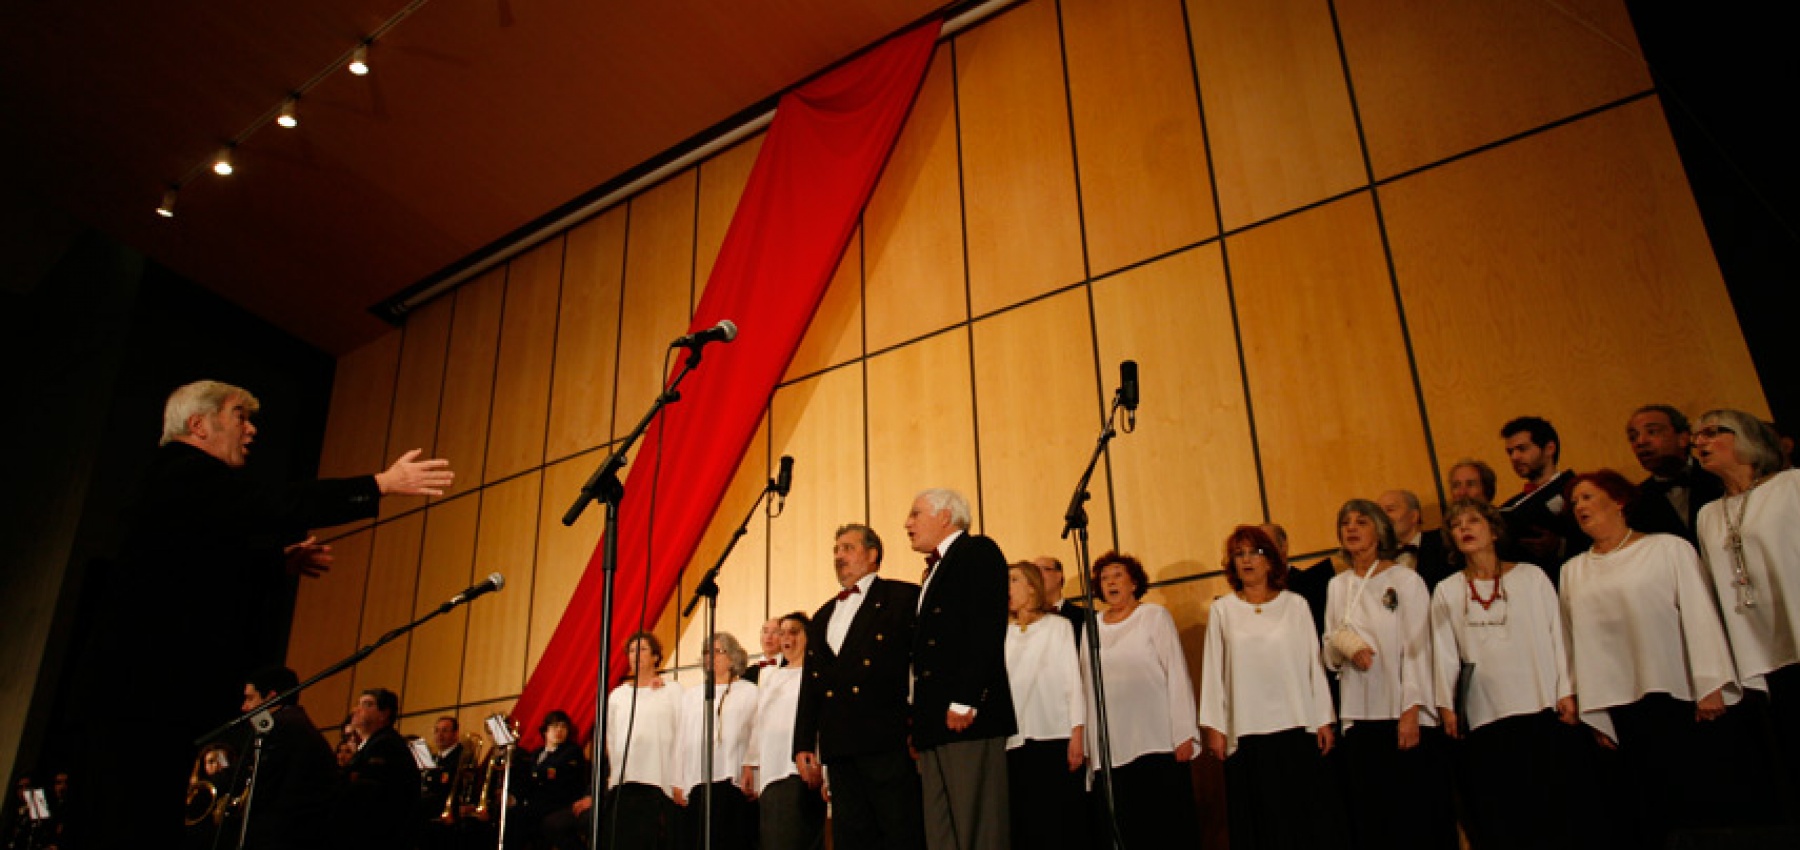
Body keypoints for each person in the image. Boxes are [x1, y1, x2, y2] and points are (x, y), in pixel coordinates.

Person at [79, 379, 453, 850]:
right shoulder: (183, 472)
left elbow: (197, 568)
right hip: (141, 693)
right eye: (240, 416)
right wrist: (380, 485)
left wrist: (279, 564)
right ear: (198, 424)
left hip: (144, 691)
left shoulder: (180, 488)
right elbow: (273, 503)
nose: (251, 430)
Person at [1558, 469, 1767, 846]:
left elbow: (1699, 613)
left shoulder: (1667, 548)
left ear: (1618, 500)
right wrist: (1596, 710)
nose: (1579, 507)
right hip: (1622, 703)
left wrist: (1710, 683)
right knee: (1652, 809)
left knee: (1704, 801)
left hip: (1681, 693)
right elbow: (1574, 642)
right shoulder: (1573, 570)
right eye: (1574, 502)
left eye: (1587, 497)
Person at [1428, 500, 1575, 848]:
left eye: (1473, 521)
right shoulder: (1447, 590)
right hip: (1486, 715)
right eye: (1456, 525)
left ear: (1493, 531)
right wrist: (1447, 705)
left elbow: (1558, 634)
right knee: (1506, 811)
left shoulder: (1531, 576)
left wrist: (1566, 690)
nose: (1464, 528)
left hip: (1540, 706)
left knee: (1551, 805)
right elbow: (1444, 652)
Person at [1199, 527, 1343, 850]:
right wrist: (1215, 727)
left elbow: (1313, 664)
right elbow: (1213, 672)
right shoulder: (1223, 611)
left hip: (1296, 722)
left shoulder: (1296, 605)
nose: (1247, 560)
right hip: (1247, 729)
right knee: (1258, 820)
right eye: (1239, 554)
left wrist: (1323, 718)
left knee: (1302, 815)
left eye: (1255, 552)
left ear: (1271, 561)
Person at [1321, 499, 1453, 849]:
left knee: (1415, 813)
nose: (1351, 528)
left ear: (1379, 531)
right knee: (1374, 817)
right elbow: (1328, 651)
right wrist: (1347, 647)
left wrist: (1412, 710)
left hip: (1401, 713)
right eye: (1345, 523)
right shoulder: (1338, 586)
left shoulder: (1405, 580)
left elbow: (1419, 648)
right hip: (1359, 715)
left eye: (1360, 522)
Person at [1692, 410, 1800, 804]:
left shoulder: (1791, 486)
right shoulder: (1707, 514)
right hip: (1763, 648)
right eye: (1695, 437)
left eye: (1710, 433)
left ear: (1745, 438)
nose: (1698, 442)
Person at [793, 523, 922, 850]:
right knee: (851, 837)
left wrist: (919, 724)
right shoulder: (822, 615)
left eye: (848, 548)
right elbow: (812, 684)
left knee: (899, 832)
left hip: (887, 739)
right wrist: (804, 742)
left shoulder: (901, 597)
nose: (839, 556)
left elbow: (920, 667)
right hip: (839, 745)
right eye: (836, 550)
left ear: (873, 554)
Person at [906, 488, 1015, 850]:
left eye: (916, 514)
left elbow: (985, 628)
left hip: (966, 716)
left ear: (945, 516)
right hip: (935, 720)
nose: (908, 523)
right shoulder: (933, 570)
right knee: (941, 830)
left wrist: (967, 698)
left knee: (978, 825)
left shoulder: (977, 551)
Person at [1085, 550, 1200, 846]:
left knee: (1165, 826)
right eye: (1105, 578)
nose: (1110, 582)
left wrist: (1184, 732)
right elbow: (1087, 686)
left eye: (1118, 575)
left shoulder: (1153, 616)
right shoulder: (1091, 626)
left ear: (1134, 583)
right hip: (1113, 747)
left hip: (1157, 740)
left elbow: (1176, 671)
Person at [1002, 563, 1086, 850]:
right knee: (1023, 823)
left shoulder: (1058, 627)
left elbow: (1073, 682)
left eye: (1014, 580)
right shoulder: (1002, 633)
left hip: (1054, 735)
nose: (1007, 587)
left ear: (1032, 587)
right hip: (1014, 740)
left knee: (1057, 821)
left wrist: (1078, 733)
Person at [744, 612, 824, 850]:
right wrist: (751, 766)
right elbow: (759, 723)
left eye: (794, 631)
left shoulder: (815, 675)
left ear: (807, 636)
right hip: (771, 772)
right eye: (782, 632)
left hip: (799, 770)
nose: (786, 637)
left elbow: (822, 722)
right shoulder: (772, 677)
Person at [598, 632, 683, 848]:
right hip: (624, 784)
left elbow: (683, 735)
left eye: (643, 649)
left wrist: (679, 781)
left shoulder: (672, 691)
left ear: (655, 656)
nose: (636, 655)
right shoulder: (617, 695)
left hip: (660, 783)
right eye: (632, 650)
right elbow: (611, 739)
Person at [674, 632, 758, 850]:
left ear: (732, 657)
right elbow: (681, 738)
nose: (709, 657)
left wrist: (755, 774)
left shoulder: (750, 692)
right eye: (705, 653)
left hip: (733, 782)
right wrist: (678, 781)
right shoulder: (692, 695)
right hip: (698, 782)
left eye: (717, 652)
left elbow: (755, 735)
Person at [1498, 416, 1588, 579]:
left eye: (1522, 449)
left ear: (1549, 448)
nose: (1514, 457)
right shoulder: (1511, 506)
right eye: (1510, 452)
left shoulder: (1580, 489)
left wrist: (1560, 545)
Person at [1624, 404, 1723, 544]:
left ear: (1683, 438)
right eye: (1633, 437)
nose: (1640, 442)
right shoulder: (1635, 502)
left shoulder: (1720, 477)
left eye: (1652, 432)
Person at [336, 687, 419, 850]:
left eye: (367, 705)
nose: (356, 710)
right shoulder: (374, 743)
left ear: (384, 714)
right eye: (358, 704)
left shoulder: (385, 744)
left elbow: (366, 793)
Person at [511, 709, 591, 848]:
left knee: (520, 817)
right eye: (555, 726)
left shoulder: (572, 751)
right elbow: (527, 778)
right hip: (537, 802)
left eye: (563, 726)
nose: (559, 730)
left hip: (560, 802)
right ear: (545, 731)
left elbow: (557, 773)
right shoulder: (536, 754)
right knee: (511, 813)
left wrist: (534, 775)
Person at [1379, 489, 1453, 588]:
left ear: (1414, 516)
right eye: (1380, 513)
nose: (1383, 517)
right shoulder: (1379, 557)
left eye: (1390, 509)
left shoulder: (1443, 541)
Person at [743, 618, 785, 684]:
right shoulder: (747, 673)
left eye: (775, 632)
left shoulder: (792, 666)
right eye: (765, 631)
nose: (769, 637)